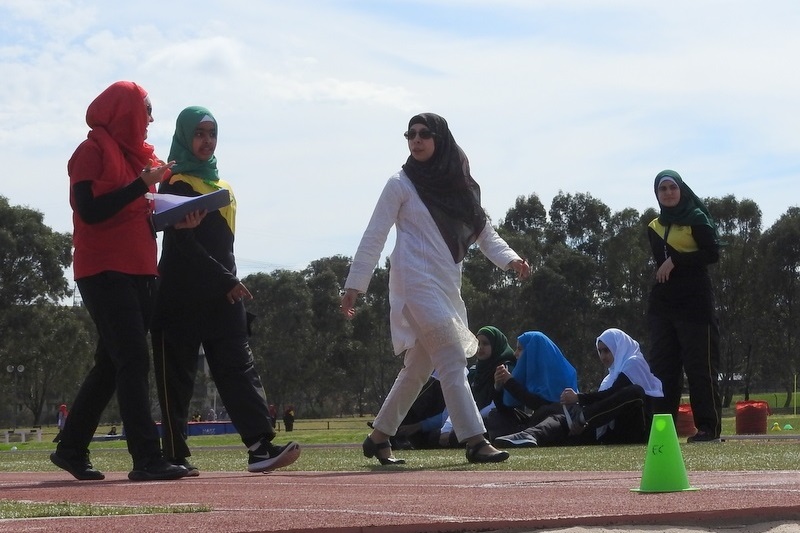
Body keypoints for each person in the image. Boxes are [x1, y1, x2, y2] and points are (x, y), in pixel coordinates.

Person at [340, 113, 530, 465]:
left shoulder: (457, 186)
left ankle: (379, 436)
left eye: (424, 134)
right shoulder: (399, 184)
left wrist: (511, 260)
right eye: (410, 134)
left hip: (444, 286)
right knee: (452, 357)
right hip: (413, 283)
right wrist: (355, 285)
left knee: (418, 368)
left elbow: (484, 232)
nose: (416, 140)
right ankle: (475, 439)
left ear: (440, 140)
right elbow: (375, 234)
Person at [51, 81, 190, 482]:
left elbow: (139, 213)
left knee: (112, 364)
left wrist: (178, 217)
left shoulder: (141, 159)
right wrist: (139, 185)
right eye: (146, 110)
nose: (150, 120)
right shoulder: (90, 151)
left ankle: (71, 448)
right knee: (133, 359)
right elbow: (91, 211)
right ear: (126, 110)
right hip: (104, 270)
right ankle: (146, 457)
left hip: (142, 269)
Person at [151, 106, 300, 475]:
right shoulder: (173, 182)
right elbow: (183, 247)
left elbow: (222, 244)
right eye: (199, 133)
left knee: (239, 368)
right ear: (185, 136)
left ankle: (260, 446)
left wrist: (228, 280)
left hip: (223, 295)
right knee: (177, 378)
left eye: (212, 134)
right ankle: (174, 455)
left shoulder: (223, 186)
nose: (206, 141)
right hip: (181, 296)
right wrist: (226, 279)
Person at [647, 170, 722, 442]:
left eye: (672, 187)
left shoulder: (696, 219)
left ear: (681, 190)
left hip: (695, 304)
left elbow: (711, 253)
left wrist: (677, 260)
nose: (668, 193)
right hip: (664, 304)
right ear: (656, 194)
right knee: (663, 369)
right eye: (662, 189)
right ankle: (663, 431)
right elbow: (660, 265)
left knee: (699, 366)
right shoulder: (654, 226)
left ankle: (707, 428)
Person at [495, 328, 663, 447]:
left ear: (619, 347)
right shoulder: (609, 377)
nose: (603, 356)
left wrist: (581, 400)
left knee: (635, 391)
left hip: (634, 431)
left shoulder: (633, 362)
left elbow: (615, 393)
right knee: (558, 415)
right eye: (600, 351)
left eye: (607, 350)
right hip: (606, 432)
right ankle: (530, 435)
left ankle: (580, 418)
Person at [486, 331, 578, 440]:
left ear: (534, 351)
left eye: (520, 349)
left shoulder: (560, 373)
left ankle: (522, 436)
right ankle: (514, 438)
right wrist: (498, 386)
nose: (515, 354)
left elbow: (540, 404)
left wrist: (510, 382)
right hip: (535, 421)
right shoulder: (530, 372)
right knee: (496, 414)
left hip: (553, 421)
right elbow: (504, 408)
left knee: (550, 415)